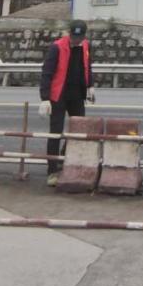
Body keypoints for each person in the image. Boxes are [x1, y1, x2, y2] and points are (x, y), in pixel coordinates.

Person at [40, 20, 95, 186]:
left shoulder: (85, 46)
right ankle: (52, 171)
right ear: (69, 33)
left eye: (79, 37)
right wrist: (45, 98)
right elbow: (46, 73)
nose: (76, 40)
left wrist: (90, 86)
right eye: (74, 36)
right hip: (58, 95)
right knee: (55, 133)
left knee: (78, 130)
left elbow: (87, 67)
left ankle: (64, 158)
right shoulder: (57, 47)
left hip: (77, 95)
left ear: (84, 36)